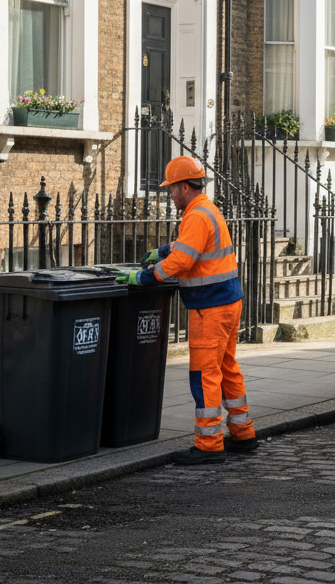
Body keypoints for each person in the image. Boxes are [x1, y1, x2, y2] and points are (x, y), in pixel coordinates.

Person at [117, 155, 255, 466]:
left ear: (183, 187)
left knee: (204, 374)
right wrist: (163, 250)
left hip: (210, 307)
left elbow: (182, 262)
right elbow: (190, 246)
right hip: (229, 302)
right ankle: (243, 433)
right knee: (228, 368)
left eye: (171, 190)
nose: (170, 195)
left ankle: (209, 443)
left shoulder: (196, 215)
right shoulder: (206, 208)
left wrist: (142, 277)